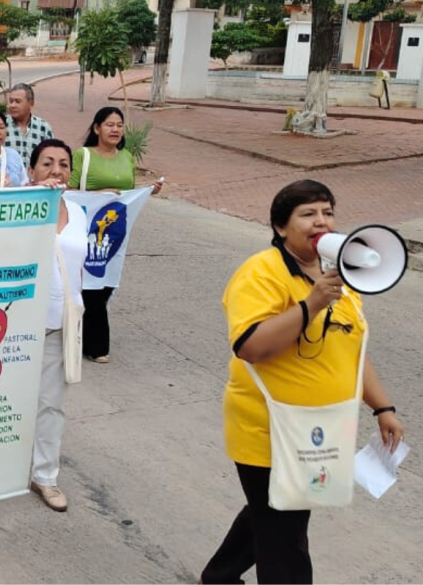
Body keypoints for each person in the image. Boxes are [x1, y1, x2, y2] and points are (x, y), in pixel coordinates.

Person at [200, 180, 405, 584]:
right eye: (308, 214)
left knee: (274, 510)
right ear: (280, 227)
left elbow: (353, 349)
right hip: (269, 429)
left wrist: (383, 407)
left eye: (328, 212)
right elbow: (251, 346)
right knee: (285, 536)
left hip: (320, 429)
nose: (321, 221)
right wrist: (312, 303)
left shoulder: (340, 278)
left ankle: (219, 576)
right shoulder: (261, 272)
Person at [68, 106, 162, 364]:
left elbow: (127, 194)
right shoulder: (84, 156)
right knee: (91, 283)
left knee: (107, 282)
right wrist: (99, 195)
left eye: (119, 125)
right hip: (87, 229)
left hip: (115, 234)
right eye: (109, 124)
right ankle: (97, 346)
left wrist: (147, 190)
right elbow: (70, 190)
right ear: (97, 128)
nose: (115, 129)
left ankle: (79, 333)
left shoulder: (127, 157)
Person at [24, 138, 85, 513]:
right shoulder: (16, 206)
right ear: (31, 170)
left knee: (51, 404)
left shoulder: (77, 212)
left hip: (60, 323)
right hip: (17, 325)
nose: (56, 171)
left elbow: (80, 268)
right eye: (47, 163)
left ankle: (44, 476)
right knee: (8, 400)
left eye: (63, 164)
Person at [4, 83, 55, 164]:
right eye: (11, 101)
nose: (12, 105)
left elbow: (51, 157)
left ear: (31, 103)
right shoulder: (1, 126)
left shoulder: (43, 128)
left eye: (17, 101)